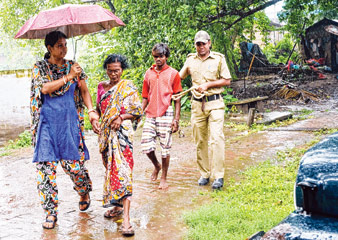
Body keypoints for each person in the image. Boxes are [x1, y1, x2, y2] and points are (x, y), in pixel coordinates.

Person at [30, 31, 100, 229]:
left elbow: (84, 90)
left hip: (69, 125)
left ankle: (83, 189)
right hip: (46, 126)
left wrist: (92, 110)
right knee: (45, 170)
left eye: (65, 45)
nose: (64, 48)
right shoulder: (40, 67)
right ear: (49, 48)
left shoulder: (74, 66)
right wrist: (69, 77)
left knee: (74, 167)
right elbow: (44, 88)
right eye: (60, 45)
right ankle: (50, 212)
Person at [96, 54, 142, 237]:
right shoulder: (101, 87)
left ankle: (127, 221)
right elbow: (100, 110)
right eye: (110, 70)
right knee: (111, 171)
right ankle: (117, 207)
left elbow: (137, 111)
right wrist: (96, 122)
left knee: (124, 174)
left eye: (117, 71)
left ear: (122, 70)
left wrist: (121, 117)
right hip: (106, 136)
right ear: (106, 70)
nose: (114, 74)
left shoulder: (128, 87)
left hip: (123, 137)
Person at [179, 30, 231, 190]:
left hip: (215, 103)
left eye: (203, 43)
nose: (201, 46)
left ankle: (218, 176)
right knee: (200, 141)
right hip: (197, 105)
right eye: (198, 44)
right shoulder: (190, 60)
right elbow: (178, 77)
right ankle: (205, 173)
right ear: (195, 45)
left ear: (209, 43)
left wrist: (208, 85)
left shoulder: (218, 58)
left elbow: (227, 80)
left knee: (216, 139)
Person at [141, 43, 182, 189]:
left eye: (161, 56)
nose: (158, 59)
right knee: (146, 144)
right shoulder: (148, 73)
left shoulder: (173, 74)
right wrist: (140, 111)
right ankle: (156, 165)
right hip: (151, 113)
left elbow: (177, 98)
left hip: (166, 112)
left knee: (165, 147)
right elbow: (145, 95)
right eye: (156, 57)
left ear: (166, 56)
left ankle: (164, 177)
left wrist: (176, 119)